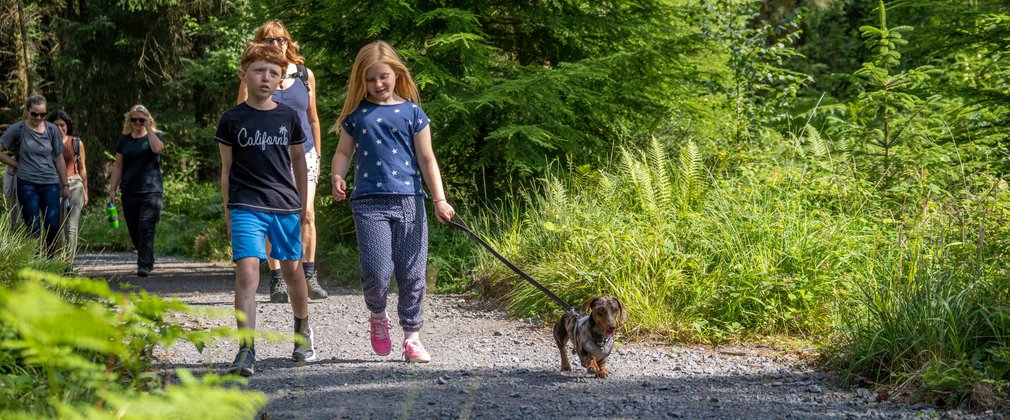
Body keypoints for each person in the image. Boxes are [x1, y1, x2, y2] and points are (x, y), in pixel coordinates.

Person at [330, 41, 456, 363]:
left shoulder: (413, 113)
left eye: (383, 77)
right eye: (371, 79)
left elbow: (428, 159)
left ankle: (412, 337)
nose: (378, 84)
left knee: (412, 271)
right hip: (369, 202)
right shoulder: (357, 115)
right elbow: (343, 152)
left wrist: (439, 199)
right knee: (377, 270)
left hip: (410, 201)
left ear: (397, 74)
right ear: (362, 80)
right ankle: (377, 314)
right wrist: (336, 176)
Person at [218, 43, 315, 377]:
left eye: (274, 73)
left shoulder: (288, 117)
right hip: (246, 205)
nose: (266, 77)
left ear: (280, 79)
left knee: (292, 272)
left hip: (285, 206)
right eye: (259, 70)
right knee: (247, 272)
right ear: (244, 75)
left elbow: (299, 161)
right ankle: (246, 349)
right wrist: (228, 211)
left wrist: (303, 207)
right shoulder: (231, 119)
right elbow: (226, 169)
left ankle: (301, 331)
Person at [237, 20, 327, 303]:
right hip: (268, 154)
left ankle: (309, 273)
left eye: (281, 40)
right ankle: (277, 279)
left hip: (305, 152)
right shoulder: (258, 74)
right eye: (269, 40)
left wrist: (320, 155)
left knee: (307, 212)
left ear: (289, 42)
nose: (277, 45)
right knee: (271, 212)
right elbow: (243, 113)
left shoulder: (304, 74)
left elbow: (313, 118)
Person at [0, 94, 70, 257]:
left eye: (42, 114)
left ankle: (50, 259)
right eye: (34, 114)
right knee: (33, 226)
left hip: (50, 184)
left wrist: (65, 185)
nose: (38, 117)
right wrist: (16, 164)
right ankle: (35, 260)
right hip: (27, 184)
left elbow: (58, 158)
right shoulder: (18, 129)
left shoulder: (52, 130)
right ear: (28, 111)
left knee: (52, 225)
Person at [107, 105, 165, 277]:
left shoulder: (155, 136)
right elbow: (118, 167)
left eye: (142, 119)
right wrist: (112, 190)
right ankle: (147, 257)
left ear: (147, 119)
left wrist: (149, 128)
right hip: (130, 191)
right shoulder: (124, 141)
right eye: (134, 120)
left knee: (146, 227)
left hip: (151, 191)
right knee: (134, 230)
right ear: (129, 121)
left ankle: (144, 264)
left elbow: (157, 149)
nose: (138, 122)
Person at [48, 110, 88, 264]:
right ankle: (57, 260)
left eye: (62, 125)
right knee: (56, 225)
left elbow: (83, 167)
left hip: (75, 185)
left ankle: (68, 263)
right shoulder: (46, 142)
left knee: (71, 226)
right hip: (53, 185)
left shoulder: (75, 142)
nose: (59, 128)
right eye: (56, 125)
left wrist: (85, 190)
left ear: (67, 126)